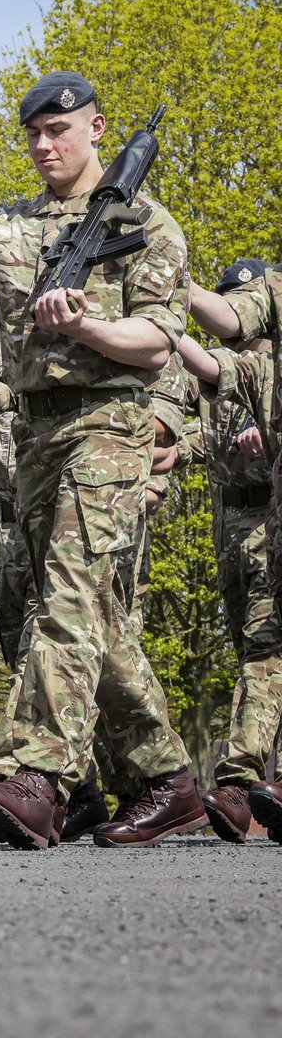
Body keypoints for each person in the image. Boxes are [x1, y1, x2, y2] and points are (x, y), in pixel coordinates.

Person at [0, 71, 198, 850]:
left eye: (62, 130)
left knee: (69, 595)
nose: (47, 145)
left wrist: (87, 329)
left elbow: (156, 340)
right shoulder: (8, 223)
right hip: (31, 437)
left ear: (97, 129)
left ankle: (36, 774)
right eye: (36, 134)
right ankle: (167, 780)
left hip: (110, 426)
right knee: (87, 615)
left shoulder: (146, 222)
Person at [182, 261, 282, 840]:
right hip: (234, 520)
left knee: (267, 644)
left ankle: (243, 781)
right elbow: (213, 378)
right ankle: (249, 786)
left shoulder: (266, 366)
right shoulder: (241, 372)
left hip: (264, 517)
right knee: (256, 648)